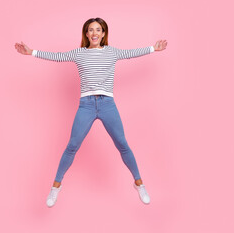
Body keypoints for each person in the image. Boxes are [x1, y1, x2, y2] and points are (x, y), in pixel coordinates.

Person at [14, 17, 168, 207]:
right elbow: (58, 56)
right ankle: (55, 187)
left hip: (107, 104)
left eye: (98, 29)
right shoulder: (79, 53)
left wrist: (153, 48)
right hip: (86, 105)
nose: (94, 33)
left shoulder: (111, 52)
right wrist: (32, 52)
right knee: (72, 145)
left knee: (122, 144)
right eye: (91, 30)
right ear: (86, 34)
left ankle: (139, 183)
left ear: (103, 33)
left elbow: (131, 53)